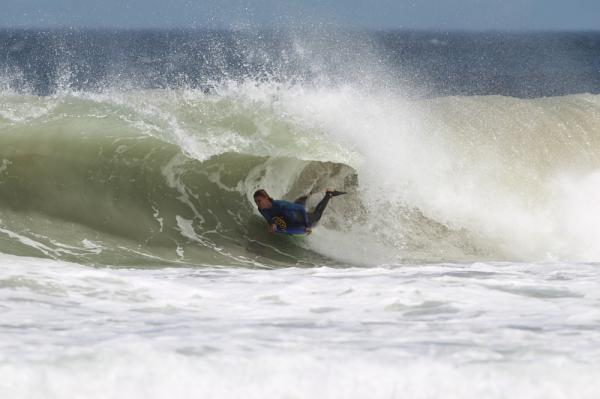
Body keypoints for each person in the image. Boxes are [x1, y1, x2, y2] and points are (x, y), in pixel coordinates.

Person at [254, 188, 346, 234]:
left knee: (316, 215)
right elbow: (269, 218)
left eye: (259, 201)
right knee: (296, 205)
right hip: (289, 216)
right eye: (256, 201)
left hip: (300, 219)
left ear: (266, 198)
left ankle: (329, 194)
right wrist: (272, 224)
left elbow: (300, 209)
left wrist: (307, 226)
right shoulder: (261, 209)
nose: (257, 203)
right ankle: (309, 193)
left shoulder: (280, 205)